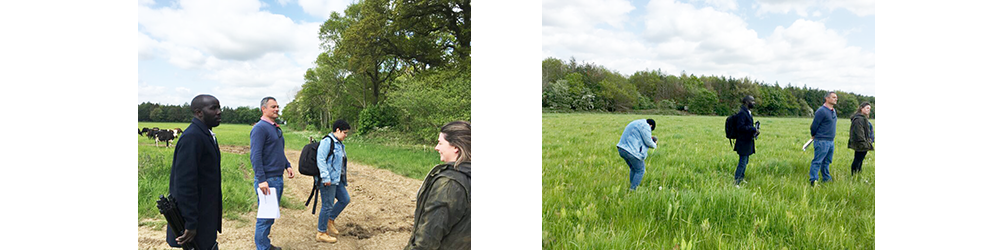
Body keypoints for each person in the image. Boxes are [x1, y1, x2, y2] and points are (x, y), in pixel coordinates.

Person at [166, 94, 223, 250]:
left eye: (219, 107)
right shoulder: (192, 137)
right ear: (199, 112)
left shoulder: (206, 134)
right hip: (197, 218)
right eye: (213, 108)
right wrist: (190, 223)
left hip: (205, 213)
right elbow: (184, 184)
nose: (219, 112)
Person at [406, 121, 471, 250]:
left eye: (440, 143)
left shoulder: (449, 184)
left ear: (455, 147)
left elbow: (428, 239)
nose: (436, 147)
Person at [250, 96, 295, 250]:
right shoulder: (260, 128)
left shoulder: (275, 127)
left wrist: (287, 165)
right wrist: (262, 179)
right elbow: (255, 156)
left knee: (270, 216)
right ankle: (262, 247)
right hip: (268, 180)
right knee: (265, 217)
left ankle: (265, 244)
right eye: (273, 107)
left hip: (277, 178)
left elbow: (278, 151)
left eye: (277, 106)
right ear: (264, 109)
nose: (277, 109)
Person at [314, 119, 352, 243]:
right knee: (327, 205)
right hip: (328, 180)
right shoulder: (327, 142)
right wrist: (325, 177)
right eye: (344, 133)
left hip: (337, 180)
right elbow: (321, 159)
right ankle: (321, 232)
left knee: (345, 199)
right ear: (337, 130)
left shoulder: (339, 144)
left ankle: (330, 220)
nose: (346, 135)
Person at [616, 119, 657, 190]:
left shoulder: (637, 122)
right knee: (640, 170)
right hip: (631, 151)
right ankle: (632, 190)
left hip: (621, 149)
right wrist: (654, 144)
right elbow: (648, 142)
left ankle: (631, 187)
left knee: (634, 168)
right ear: (651, 126)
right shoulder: (645, 126)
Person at [809, 92, 838, 186]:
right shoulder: (821, 111)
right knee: (817, 161)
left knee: (827, 162)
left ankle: (826, 178)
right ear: (827, 98)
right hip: (821, 140)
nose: (836, 99)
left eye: (836, 97)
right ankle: (813, 180)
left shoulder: (833, 111)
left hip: (831, 141)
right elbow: (814, 126)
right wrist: (814, 135)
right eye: (833, 97)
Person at [733, 96, 759, 187]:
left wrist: (755, 131)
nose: (753, 103)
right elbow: (740, 127)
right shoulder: (742, 113)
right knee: (742, 162)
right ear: (746, 102)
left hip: (747, 141)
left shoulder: (747, 112)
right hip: (743, 142)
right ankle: (736, 182)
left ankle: (741, 178)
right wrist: (752, 128)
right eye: (752, 101)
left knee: (745, 161)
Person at [848, 102, 874, 176]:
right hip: (860, 143)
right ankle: (854, 175)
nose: (868, 110)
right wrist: (865, 143)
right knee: (857, 160)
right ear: (861, 108)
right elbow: (859, 133)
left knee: (860, 160)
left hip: (863, 143)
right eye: (867, 108)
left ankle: (858, 174)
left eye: (869, 108)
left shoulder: (863, 118)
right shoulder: (858, 119)